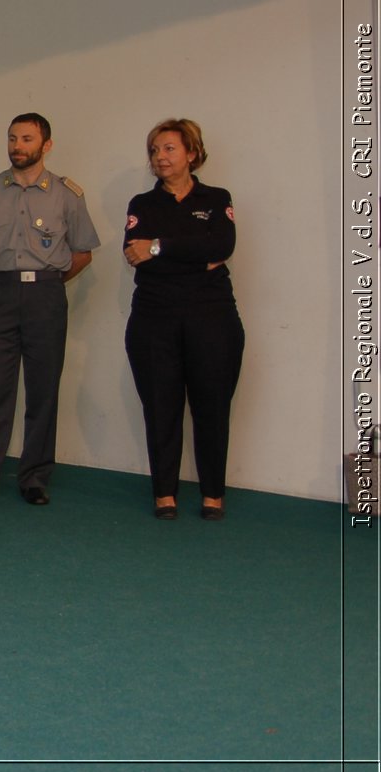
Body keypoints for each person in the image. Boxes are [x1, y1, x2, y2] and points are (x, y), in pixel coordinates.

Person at [0, 113, 100, 508]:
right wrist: (10, 277)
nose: (17, 146)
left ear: (46, 145)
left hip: (47, 299)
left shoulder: (67, 195)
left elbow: (82, 253)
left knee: (42, 393)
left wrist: (44, 281)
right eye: (12, 138)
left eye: (26, 139)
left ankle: (34, 478)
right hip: (2, 295)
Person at [121, 118, 243, 520]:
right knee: (161, 407)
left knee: (212, 406)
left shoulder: (216, 197)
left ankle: (212, 495)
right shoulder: (142, 204)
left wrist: (157, 246)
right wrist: (194, 256)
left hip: (212, 319)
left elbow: (223, 244)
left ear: (192, 153)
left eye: (169, 148)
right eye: (155, 150)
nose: (160, 157)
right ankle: (165, 494)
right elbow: (135, 255)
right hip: (154, 319)